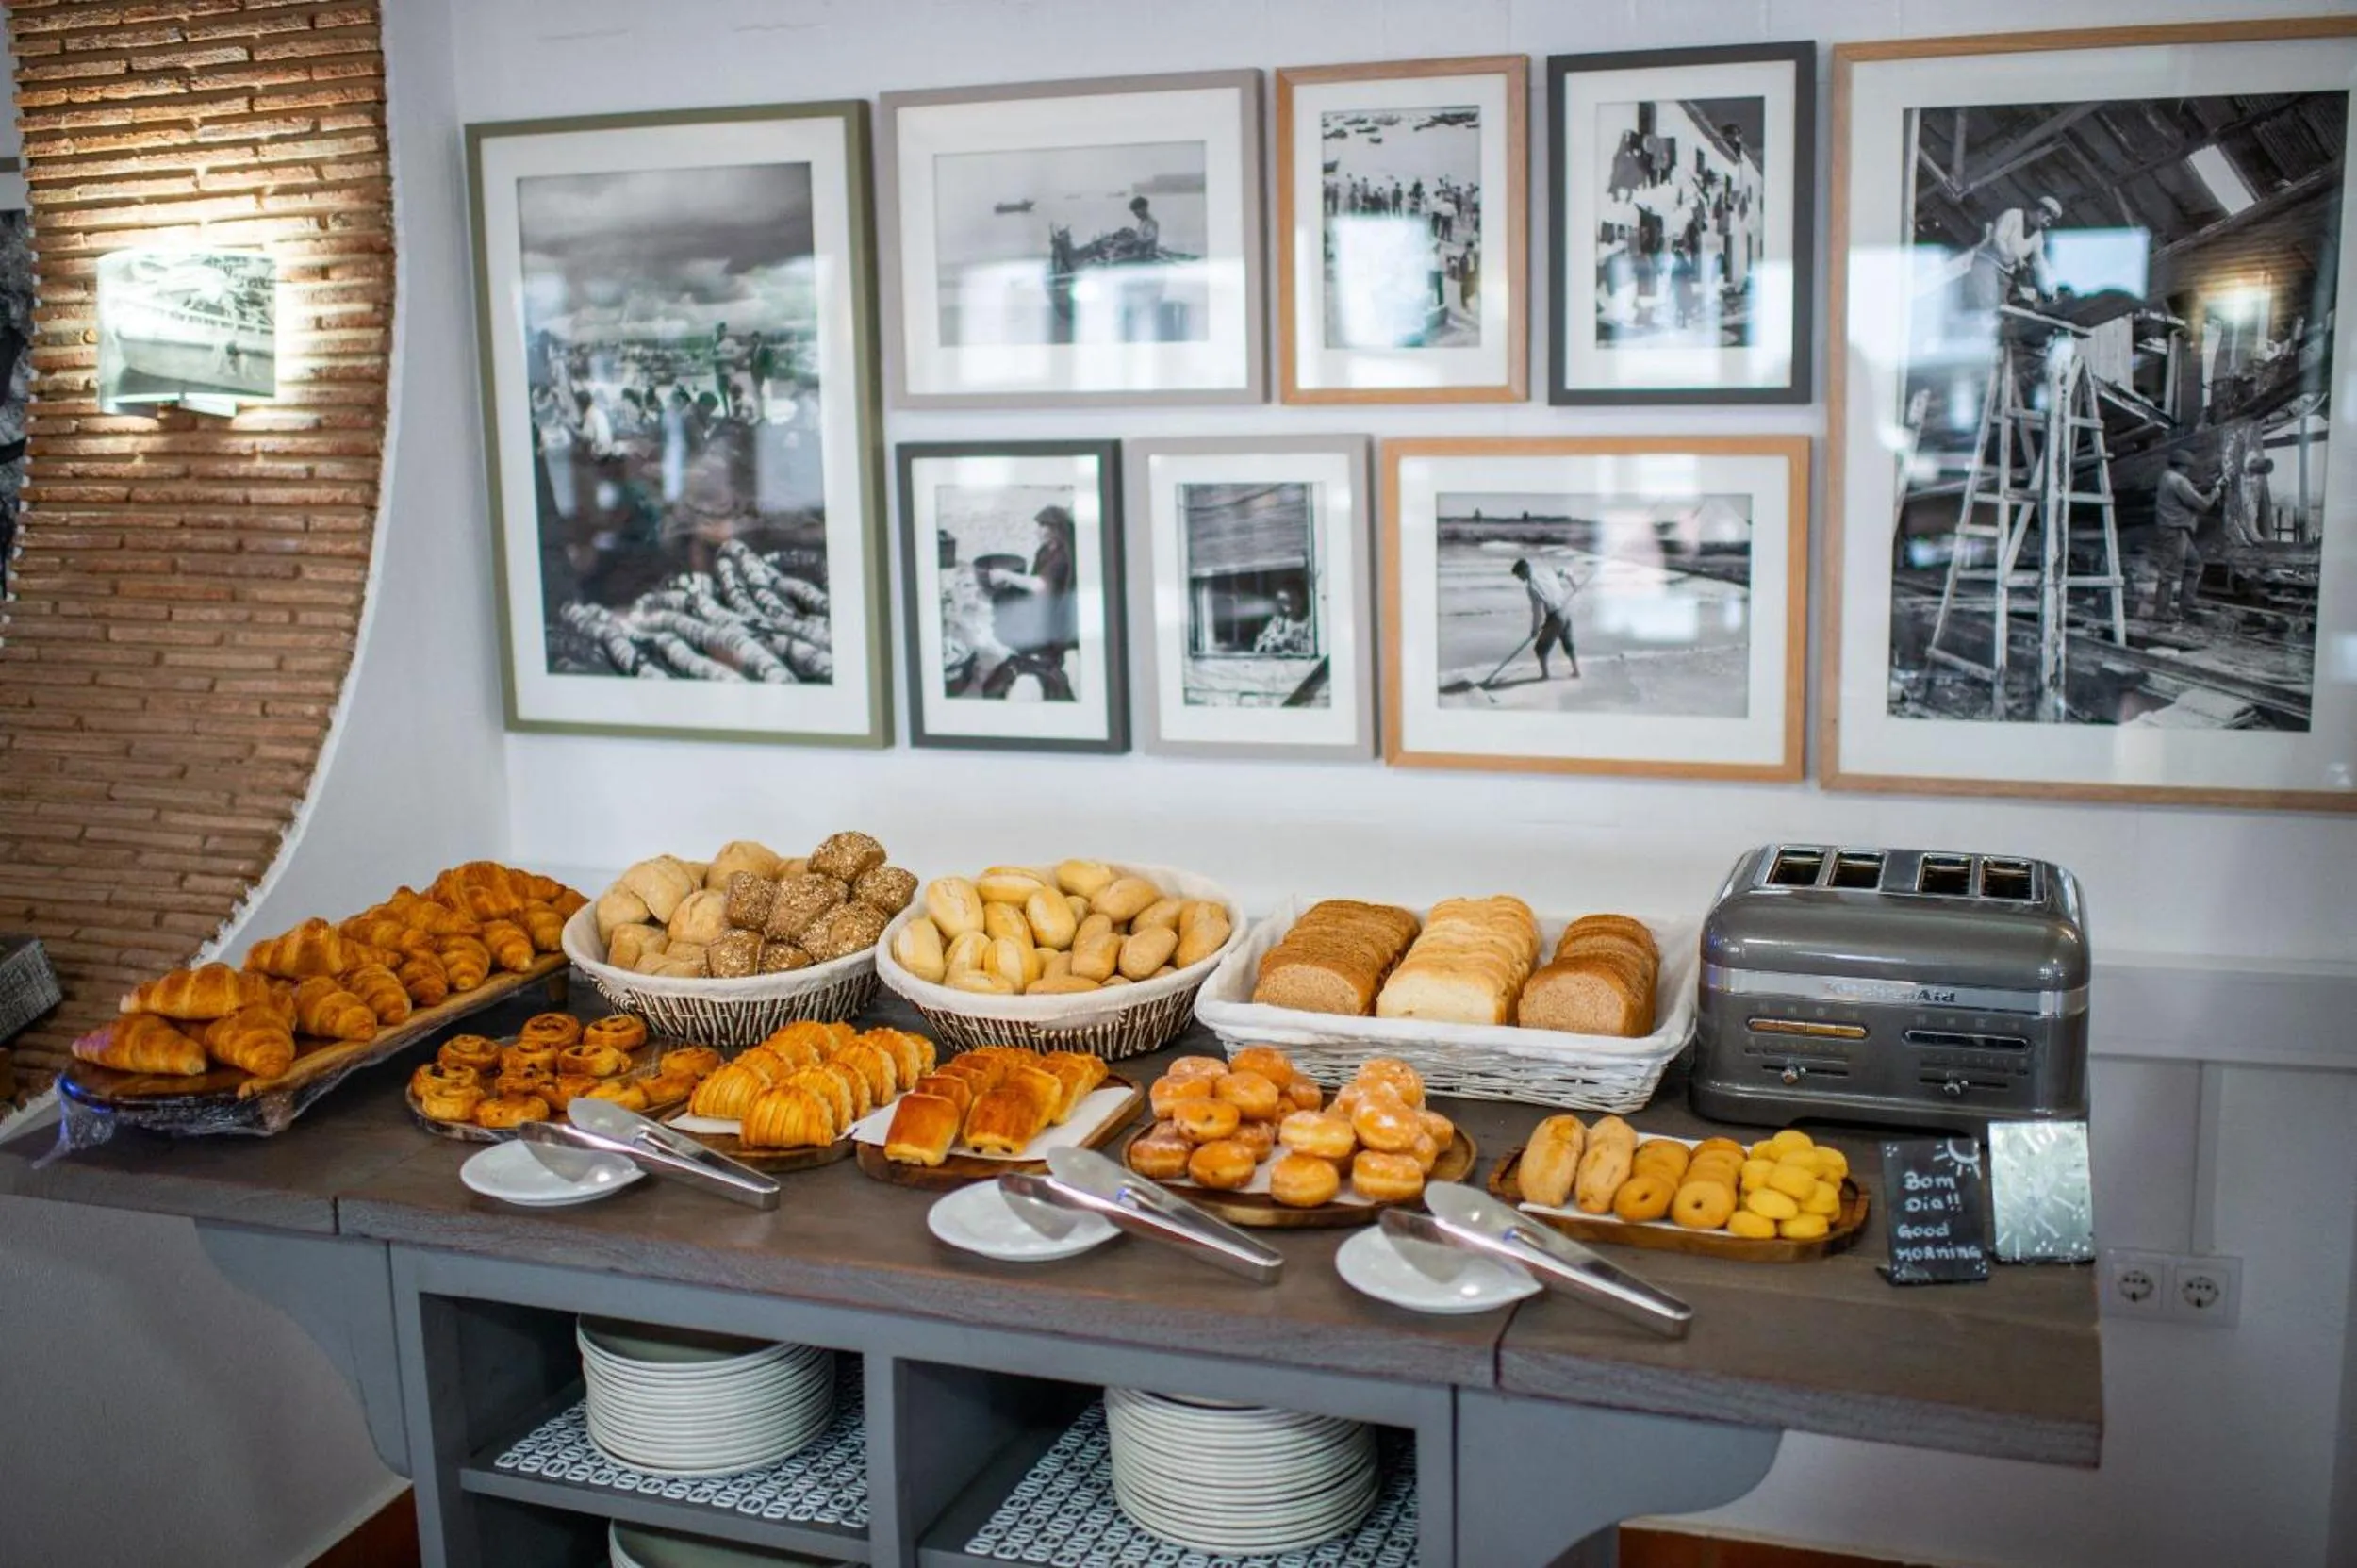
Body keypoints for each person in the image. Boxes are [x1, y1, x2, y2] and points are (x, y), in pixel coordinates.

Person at [980, 505, 1079, 701]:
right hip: (1043, 603)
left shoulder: (1063, 556)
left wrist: (1006, 574)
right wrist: (1013, 584)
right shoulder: (1045, 550)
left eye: (1045, 526)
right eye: (1039, 525)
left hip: (1057, 614)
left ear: (1058, 529)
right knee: (1004, 596)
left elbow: (1040, 585)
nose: (1039, 530)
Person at [2150, 448, 2218, 622]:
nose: (2188, 470)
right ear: (2182, 466)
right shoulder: (2179, 481)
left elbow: (2186, 493)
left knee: (2194, 564)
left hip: (2175, 530)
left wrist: (2202, 487)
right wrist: (2214, 494)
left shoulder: (2166, 476)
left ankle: (2186, 606)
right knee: (2169, 572)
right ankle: (2161, 612)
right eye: (2187, 467)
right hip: (2176, 530)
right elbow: (2202, 505)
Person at [1510, 556, 1582, 679]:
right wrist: (1574, 585)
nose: (1519, 578)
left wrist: (1534, 630)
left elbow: (1537, 612)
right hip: (1565, 610)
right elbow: (1567, 571)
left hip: (1555, 616)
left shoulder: (1531, 587)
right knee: (1568, 643)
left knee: (1540, 648)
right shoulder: (1546, 571)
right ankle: (1576, 671)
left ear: (1524, 570)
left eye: (1519, 575)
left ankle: (1545, 675)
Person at [1253, 586, 1314, 656]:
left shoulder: (1310, 623)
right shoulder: (1277, 622)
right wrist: (1271, 644)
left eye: (1293, 601)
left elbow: (1313, 650)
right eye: (1284, 602)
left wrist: (1291, 644)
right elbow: (1258, 647)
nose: (1288, 606)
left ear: (1302, 599)